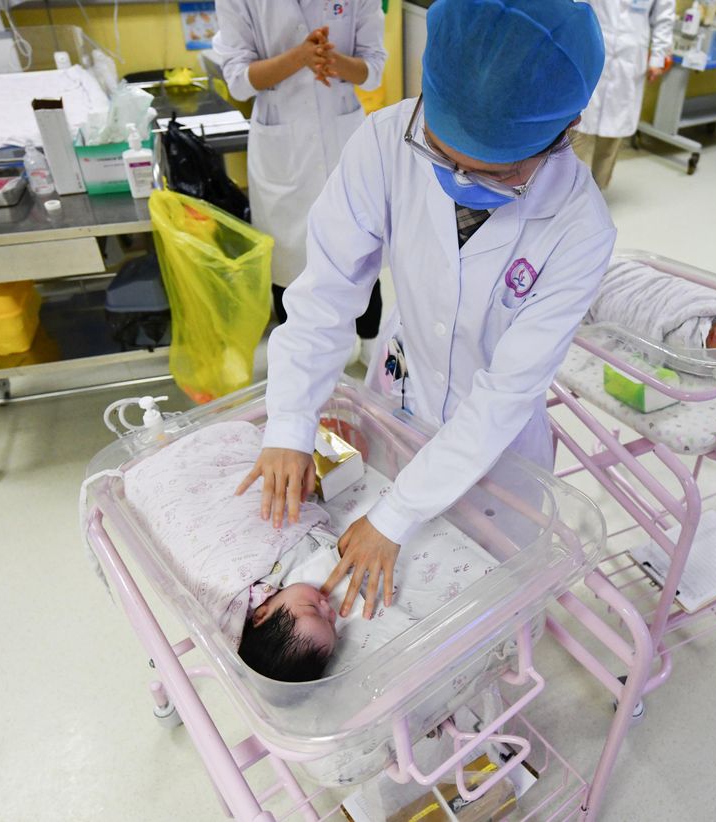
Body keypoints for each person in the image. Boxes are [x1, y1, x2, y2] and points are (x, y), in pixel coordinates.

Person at [237, 0, 613, 622]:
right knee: (385, 607)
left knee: (480, 614)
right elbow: (326, 293)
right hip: (399, 399)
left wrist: (398, 517)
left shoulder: (579, 229)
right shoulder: (386, 142)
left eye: (493, 173)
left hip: (498, 451)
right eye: (440, 153)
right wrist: (289, 423)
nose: (459, 178)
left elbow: (505, 394)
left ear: (566, 129)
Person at [213, 0, 387, 363]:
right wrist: (300, 57)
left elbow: (373, 71)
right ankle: (302, 359)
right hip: (283, 143)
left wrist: (331, 61)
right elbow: (239, 82)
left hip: (343, 133)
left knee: (359, 247)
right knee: (290, 258)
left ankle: (371, 348)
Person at [123, 421, 340, 683]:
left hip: (189, 497)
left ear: (261, 614)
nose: (329, 607)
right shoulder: (283, 587)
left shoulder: (234, 602)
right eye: (331, 622)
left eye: (314, 610)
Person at [572, 0, 675, 190]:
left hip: (630, 58)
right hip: (594, 45)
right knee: (579, 129)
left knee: (613, 134)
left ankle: (597, 193)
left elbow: (664, 18)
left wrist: (658, 58)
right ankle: (569, 195)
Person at [585, 257, 716, 349]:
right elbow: (685, 292)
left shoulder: (689, 345)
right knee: (611, 269)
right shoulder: (713, 306)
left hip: (623, 301)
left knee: (596, 290)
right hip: (640, 282)